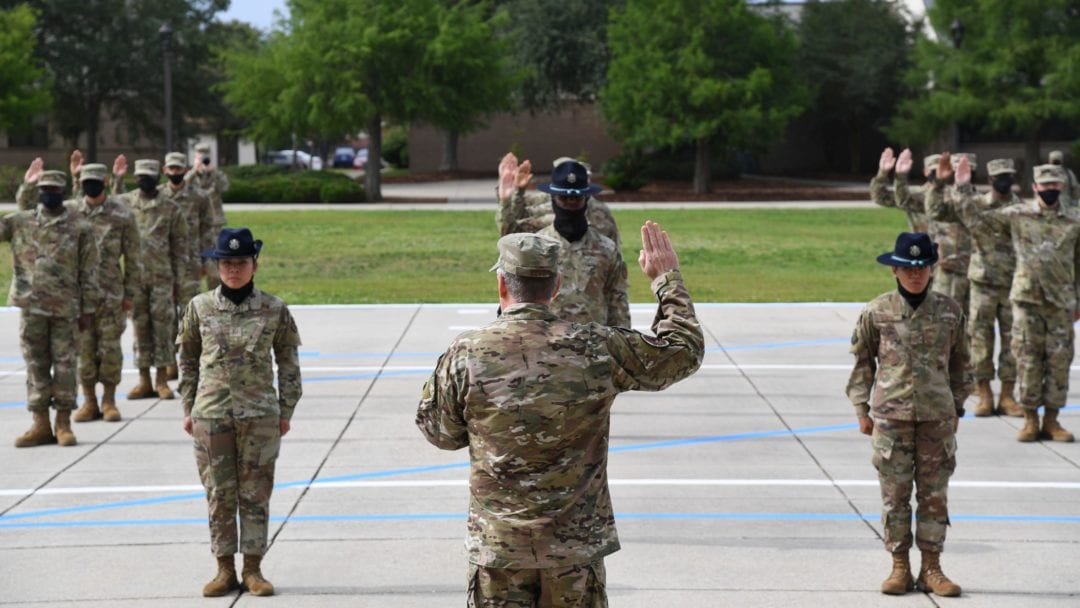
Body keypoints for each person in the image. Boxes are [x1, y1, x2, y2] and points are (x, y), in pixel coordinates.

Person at [417, 222, 704, 607]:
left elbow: (440, 433)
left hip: (500, 548)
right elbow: (682, 350)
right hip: (573, 549)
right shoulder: (595, 346)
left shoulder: (468, 352)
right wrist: (666, 279)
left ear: (503, 285)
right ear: (554, 288)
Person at [178, 227, 302, 598]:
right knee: (219, 493)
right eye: (227, 263)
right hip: (212, 414)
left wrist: (285, 409)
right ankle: (223, 568)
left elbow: (289, 363)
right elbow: (186, 360)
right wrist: (188, 407)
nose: (234, 269)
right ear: (216, 266)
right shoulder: (199, 307)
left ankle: (253, 568)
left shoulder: (274, 309)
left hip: (260, 415)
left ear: (254, 265)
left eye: (241, 262)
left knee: (256, 493)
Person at [847, 232, 971, 597]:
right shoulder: (877, 311)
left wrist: (958, 405)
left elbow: (962, 364)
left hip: (936, 418)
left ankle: (932, 567)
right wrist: (861, 409)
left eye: (921, 268)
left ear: (931, 269)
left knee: (934, 494)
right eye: (907, 268)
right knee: (895, 495)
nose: (914, 275)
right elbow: (861, 364)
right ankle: (899, 566)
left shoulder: (950, 311)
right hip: (891, 417)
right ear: (895, 271)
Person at [3, 167, 101, 447]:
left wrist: (88, 309)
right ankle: (41, 423)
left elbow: (89, 271)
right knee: (36, 365)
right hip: (31, 307)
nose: (49, 194)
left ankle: (63, 423)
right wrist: (24, 186)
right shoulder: (20, 222)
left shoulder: (79, 227)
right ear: (38, 192)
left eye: (55, 190)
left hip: (65, 309)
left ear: (64, 192)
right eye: (44, 189)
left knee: (66, 366)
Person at [927, 156, 1023, 417]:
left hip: (1012, 283)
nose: (1004, 180)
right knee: (979, 340)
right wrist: (940, 183)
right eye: (999, 176)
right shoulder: (973, 204)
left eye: (1008, 175)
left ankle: (1007, 395)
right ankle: (984, 395)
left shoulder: (1023, 210)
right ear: (990, 180)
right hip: (982, 283)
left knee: (1012, 340)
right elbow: (936, 212)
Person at [999, 163, 1080, 442]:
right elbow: (975, 219)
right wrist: (959, 185)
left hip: (1060, 303)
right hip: (1027, 299)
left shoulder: (1075, 220)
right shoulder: (1018, 214)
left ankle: (1052, 421)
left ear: (1062, 187)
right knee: (1027, 360)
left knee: (1059, 362)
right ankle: (1030, 420)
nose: (1049, 190)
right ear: (1034, 187)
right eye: (1044, 186)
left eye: (1054, 185)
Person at [65, 161, 143, 423]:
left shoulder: (122, 215)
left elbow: (133, 258)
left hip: (111, 294)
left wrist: (130, 294)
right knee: (84, 351)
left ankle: (109, 401)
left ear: (105, 182)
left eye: (95, 181)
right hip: (80, 297)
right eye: (85, 181)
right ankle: (89, 401)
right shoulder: (72, 212)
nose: (91, 185)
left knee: (109, 350)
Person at [116, 159, 188, 400]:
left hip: (162, 279)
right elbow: (101, 208)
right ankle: (144, 380)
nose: (144, 180)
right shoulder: (126, 203)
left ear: (158, 177)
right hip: (135, 280)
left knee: (163, 329)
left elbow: (179, 247)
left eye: (149, 175)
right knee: (140, 329)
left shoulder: (170, 208)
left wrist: (179, 281)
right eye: (140, 176)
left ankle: (161, 380)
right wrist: (116, 178)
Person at [879, 148, 974, 312]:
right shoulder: (918, 197)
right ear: (925, 171)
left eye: (941, 170)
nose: (937, 173)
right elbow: (889, 198)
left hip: (948, 263)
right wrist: (891, 175)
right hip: (920, 260)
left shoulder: (952, 198)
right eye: (933, 170)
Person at [163, 151, 214, 379]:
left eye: (178, 168)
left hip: (190, 263)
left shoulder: (199, 197)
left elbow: (207, 230)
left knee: (190, 315)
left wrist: (206, 260)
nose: (174, 172)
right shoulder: (158, 197)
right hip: (162, 265)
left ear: (186, 170)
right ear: (165, 170)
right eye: (171, 169)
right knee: (165, 315)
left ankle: (189, 362)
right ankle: (169, 361)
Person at [496, 152, 621, 246]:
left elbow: (613, 253)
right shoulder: (546, 222)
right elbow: (514, 229)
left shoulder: (602, 217)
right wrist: (511, 195)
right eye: (563, 198)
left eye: (577, 198)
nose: (570, 201)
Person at [185, 142, 230, 289]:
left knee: (214, 263)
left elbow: (225, 187)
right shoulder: (191, 175)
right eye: (199, 156)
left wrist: (214, 172)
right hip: (194, 223)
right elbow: (181, 187)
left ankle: (215, 294)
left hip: (214, 224)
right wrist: (194, 170)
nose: (203, 160)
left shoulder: (216, 174)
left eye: (205, 157)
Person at [871, 148, 930, 233]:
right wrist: (883, 173)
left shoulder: (954, 196)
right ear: (926, 172)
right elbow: (881, 197)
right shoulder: (916, 194)